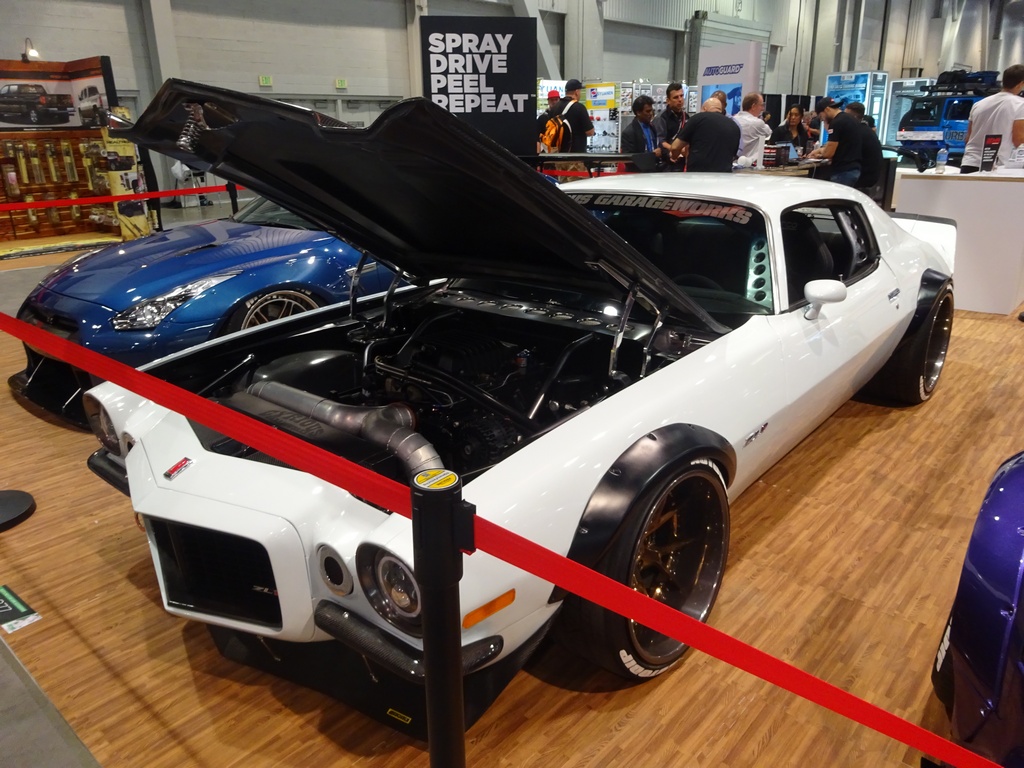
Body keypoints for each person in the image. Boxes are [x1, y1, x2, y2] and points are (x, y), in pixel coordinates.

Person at [960, 63, 1024, 173]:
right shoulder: (1019, 104)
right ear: (1021, 84)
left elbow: (968, 138)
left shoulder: (978, 104)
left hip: (969, 163)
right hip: (996, 167)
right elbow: (1019, 140)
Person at [668, 97, 740, 173]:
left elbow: (675, 147)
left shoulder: (698, 119)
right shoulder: (734, 126)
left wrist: (674, 157)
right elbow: (733, 154)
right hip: (724, 176)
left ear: (704, 109)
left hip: (698, 174)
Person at [807, 97, 863, 186]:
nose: (823, 120)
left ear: (827, 109)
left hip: (842, 171)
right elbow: (841, 145)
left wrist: (819, 155)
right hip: (854, 169)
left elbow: (829, 153)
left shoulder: (836, 123)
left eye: (821, 116)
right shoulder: (850, 119)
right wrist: (820, 150)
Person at [845, 101, 883, 190]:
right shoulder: (867, 130)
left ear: (853, 117)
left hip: (862, 176)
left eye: (846, 116)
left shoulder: (855, 132)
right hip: (871, 175)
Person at [621, 94, 662, 171]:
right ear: (638, 113)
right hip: (637, 174)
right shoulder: (629, 133)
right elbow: (628, 160)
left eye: (652, 110)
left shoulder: (652, 127)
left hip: (653, 171)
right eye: (648, 111)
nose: (651, 114)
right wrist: (651, 156)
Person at [653, 82, 687, 171]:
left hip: (682, 162)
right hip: (667, 163)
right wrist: (676, 149)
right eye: (676, 97)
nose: (680, 99)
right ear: (668, 100)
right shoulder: (662, 118)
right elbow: (660, 141)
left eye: (681, 96)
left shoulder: (686, 117)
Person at [556, 78, 595, 153]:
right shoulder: (579, 108)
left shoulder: (555, 108)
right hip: (575, 154)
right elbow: (590, 132)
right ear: (577, 92)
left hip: (557, 154)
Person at [734, 92, 772, 163]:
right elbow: (769, 133)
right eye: (761, 105)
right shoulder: (757, 123)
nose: (763, 109)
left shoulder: (733, 119)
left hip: (732, 163)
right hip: (749, 165)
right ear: (753, 106)